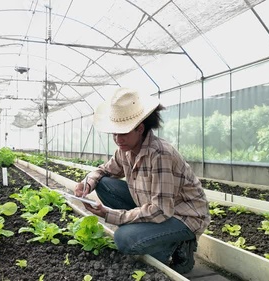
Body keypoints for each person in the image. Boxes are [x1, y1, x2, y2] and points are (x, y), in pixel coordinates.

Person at [74, 88, 210, 274]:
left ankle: (177, 246)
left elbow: (161, 210)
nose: (117, 139)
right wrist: (86, 184)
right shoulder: (125, 150)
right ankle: (153, 236)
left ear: (140, 128)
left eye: (123, 133)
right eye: (114, 133)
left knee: (124, 239)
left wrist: (110, 215)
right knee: (104, 183)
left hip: (183, 216)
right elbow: (103, 170)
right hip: (155, 207)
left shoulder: (160, 154)